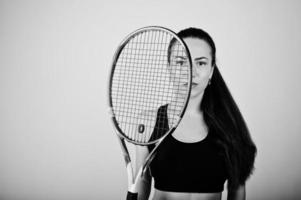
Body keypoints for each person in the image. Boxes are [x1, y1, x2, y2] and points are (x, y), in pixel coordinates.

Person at [135, 27, 257, 200]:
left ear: (211, 70)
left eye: (200, 63)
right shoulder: (148, 121)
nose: (190, 72)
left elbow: (237, 189)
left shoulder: (230, 125)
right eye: (180, 62)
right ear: (169, 67)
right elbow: (143, 180)